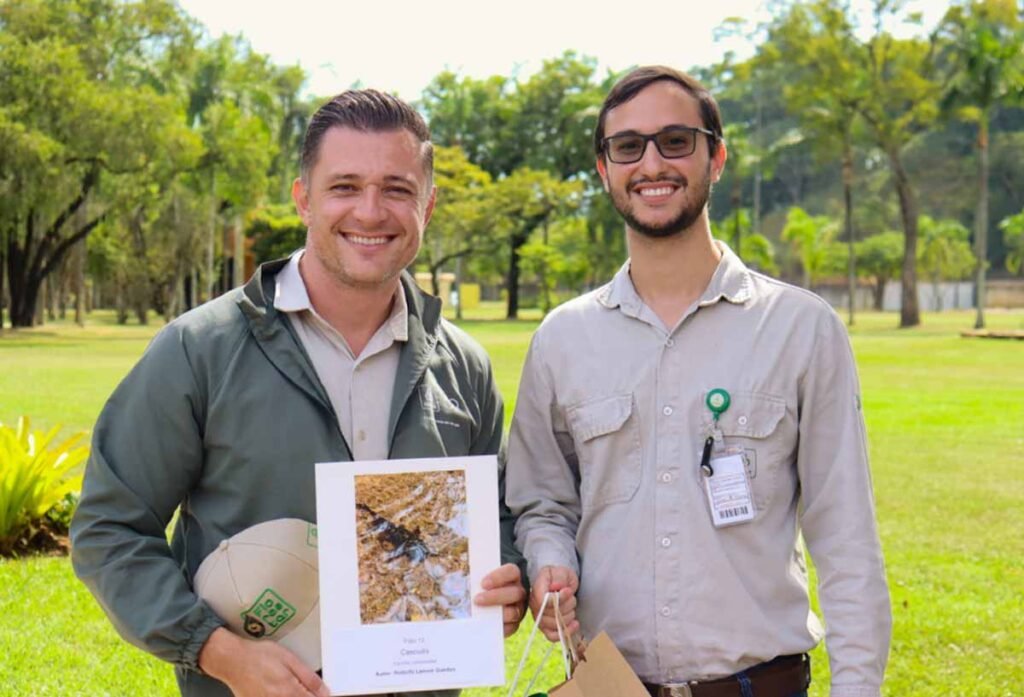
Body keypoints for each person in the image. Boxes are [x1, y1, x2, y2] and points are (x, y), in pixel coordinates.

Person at [71, 89, 527, 697]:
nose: (370, 212)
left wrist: (509, 581)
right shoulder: (199, 350)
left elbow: (498, 520)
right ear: (302, 198)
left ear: (429, 205)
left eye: (397, 188)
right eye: (344, 186)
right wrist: (217, 651)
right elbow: (109, 528)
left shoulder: (464, 364)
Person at [506, 66, 891, 697]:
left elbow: (845, 539)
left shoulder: (800, 328)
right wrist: (551, 561)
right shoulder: (562, 338)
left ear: (716, 156)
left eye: (675, 141)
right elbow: (543, 502)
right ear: (604, 170)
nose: (651, 163)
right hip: (610, 686)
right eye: (627, 146)